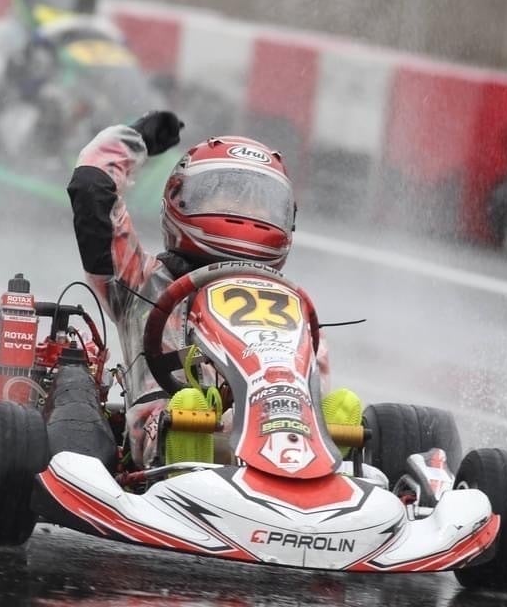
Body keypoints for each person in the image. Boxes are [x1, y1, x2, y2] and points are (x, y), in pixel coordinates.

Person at [67, 111, 362, 469]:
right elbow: (91, 187)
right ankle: (186, 469)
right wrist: (136, 139)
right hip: (168, 439)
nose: (244, 212)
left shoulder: (290, 304)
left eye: (259, 202)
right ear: (181, 198)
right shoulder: (140, 280)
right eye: (227, 196)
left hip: (275, 438)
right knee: (189, 406)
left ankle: (319, 465)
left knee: (343, 407)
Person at [0, 0, 114, 156]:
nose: (62, 6)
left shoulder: (98, 45)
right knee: (45, 112)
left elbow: (117, 85)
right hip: (15, 122)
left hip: (81, 126)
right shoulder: (7, 35)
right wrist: (14, 67)